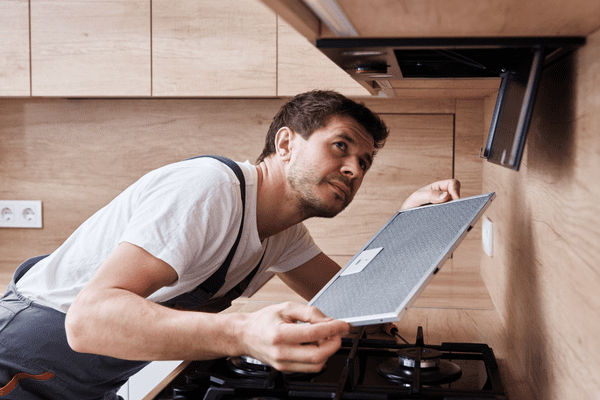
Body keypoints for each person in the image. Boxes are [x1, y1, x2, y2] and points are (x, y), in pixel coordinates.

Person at [0, 90, 460, 399]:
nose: (354, 170)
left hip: (81, 384)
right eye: (340, 146)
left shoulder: (281, 235)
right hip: (17, 364)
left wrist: (413, 225)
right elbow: (88, 321)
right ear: (285, 144)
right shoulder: (209, 189)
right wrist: (243, 332)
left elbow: (356, 307)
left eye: (363, 162)